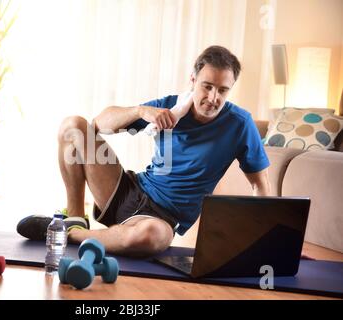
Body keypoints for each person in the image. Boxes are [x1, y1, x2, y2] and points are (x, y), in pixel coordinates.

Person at [17, 46, 270, 257]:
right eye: (207, 86)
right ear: (193, 81)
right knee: (73, 126)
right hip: (128, 192)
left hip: (161, 220)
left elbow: (260, 185)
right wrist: (140, 111)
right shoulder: (170, 107)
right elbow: (99, 124)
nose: (213, 97)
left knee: (150, 237)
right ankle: (74, 218)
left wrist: (262, 237)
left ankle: (65, 234)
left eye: (223, 90)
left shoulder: (240, 124)